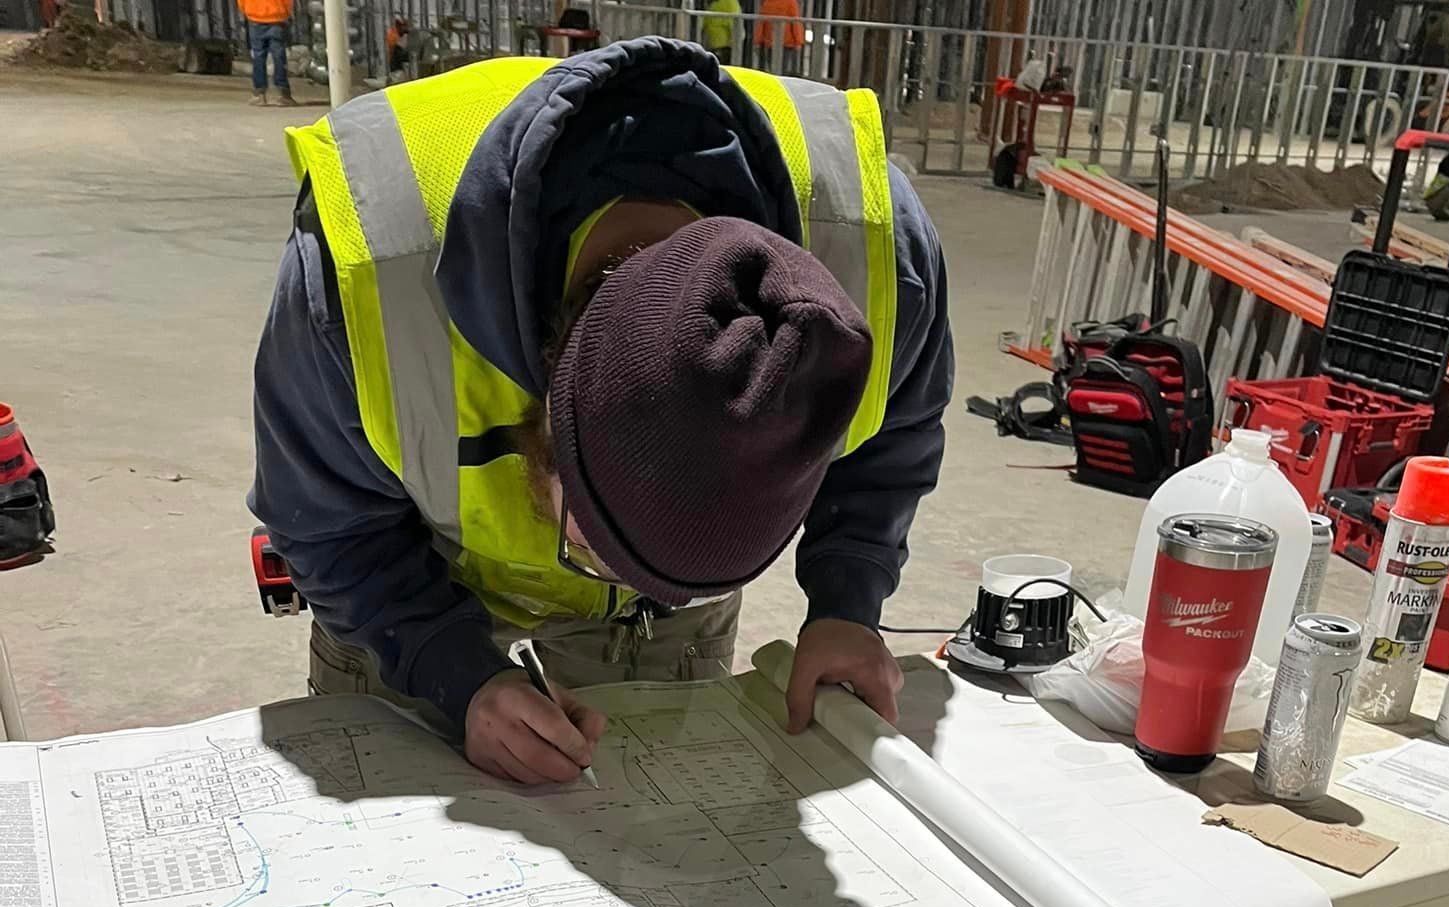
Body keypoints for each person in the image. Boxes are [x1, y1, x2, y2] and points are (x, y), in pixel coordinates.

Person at [251, 39, 952, 786]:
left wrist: (847, 601)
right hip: (411, 580)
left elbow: (892, 431)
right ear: (545, 423)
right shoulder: (365, 267)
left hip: (656, 636)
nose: (628, 585)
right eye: (586, 546)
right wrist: (453, 671)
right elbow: (324, 523)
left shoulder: (874, 246)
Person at [240, 0, 294, 107]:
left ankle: (259, 94)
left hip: (255, 18)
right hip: (277, 18)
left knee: (258, 56)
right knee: (279, 56)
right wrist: (286, 13)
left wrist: (247, 11)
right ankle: (283, 94)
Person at [753, 0, 804, 68]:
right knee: (783, 68)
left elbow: (761, 23)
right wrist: (798, 41)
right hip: (786, 42)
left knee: (772, 66)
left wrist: (757, 41)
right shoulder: (790, 2)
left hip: (770, 41)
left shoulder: (767, 2)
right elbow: (795, 23)